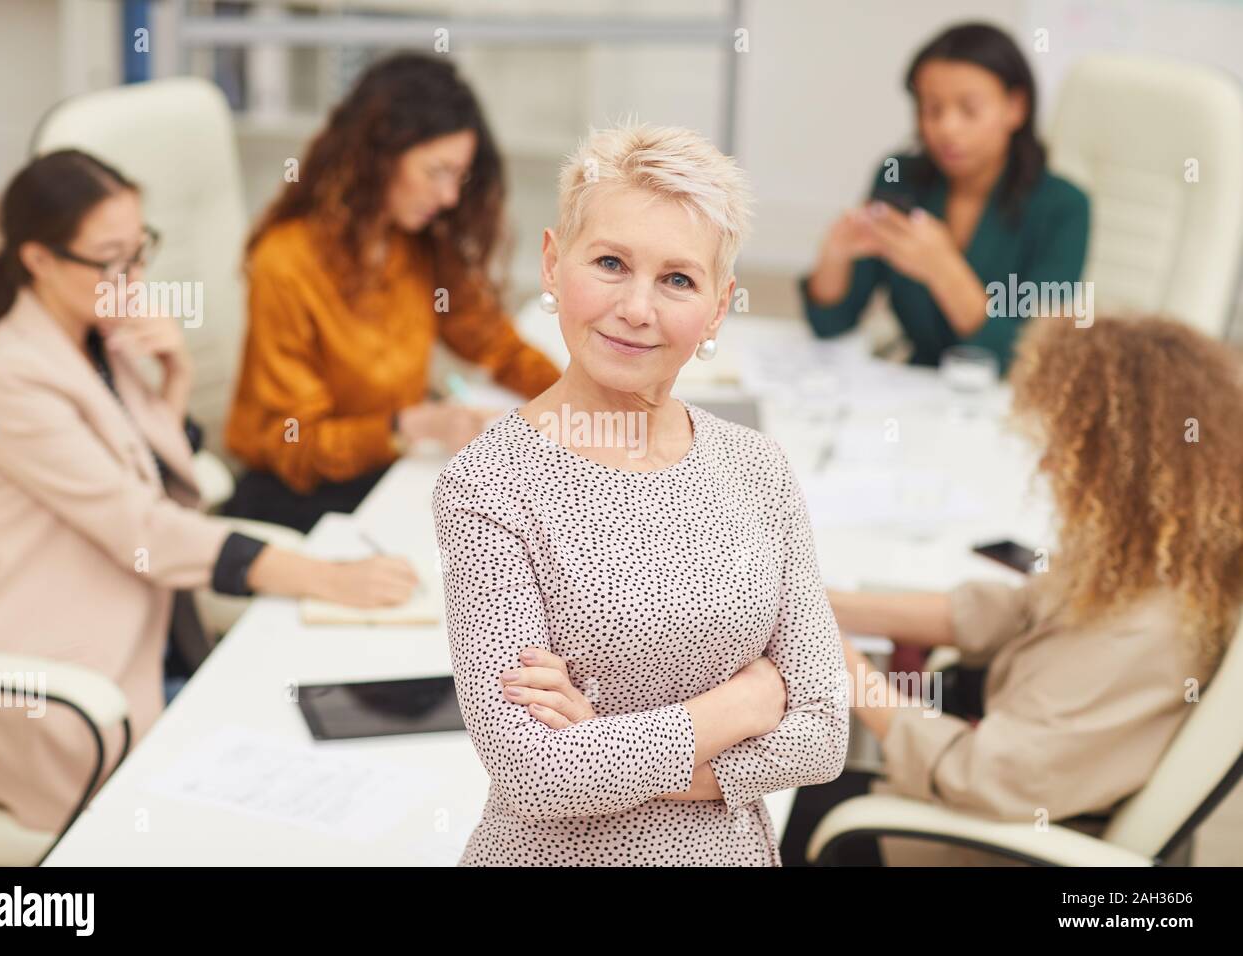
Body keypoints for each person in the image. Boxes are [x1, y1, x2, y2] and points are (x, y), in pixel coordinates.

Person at [0, 150, 418, 835]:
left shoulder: (92, 339)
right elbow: (147, 528)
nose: (134, 280)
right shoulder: (14, 381)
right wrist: (320, 575)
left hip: (154, 649)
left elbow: (156, 475)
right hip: (80, 698)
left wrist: (170, 376)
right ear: (40, 260)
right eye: (111, 262)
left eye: (140, 252)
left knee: (355, 752)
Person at [433, 123, 850, 866]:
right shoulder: (486, 485)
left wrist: (606, 744)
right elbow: (535, 773)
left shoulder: (759, 469)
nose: (636, 308)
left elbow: (821, 734)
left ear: (719, 307)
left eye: (678, 279)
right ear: (554, 264)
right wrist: (739, 707)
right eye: (611, 263)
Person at [779, 315, 1243, 866]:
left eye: (1068, 447)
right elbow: (1016, 610)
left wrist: (836, 658)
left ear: (1125, 465)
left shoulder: (1148, 633)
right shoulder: (1160, 555)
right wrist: (825, 602)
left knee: (757, 807)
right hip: (1012, 779)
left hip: (980, 839)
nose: (1048, 463)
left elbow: (981, 775)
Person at [223, 52, 561, 532]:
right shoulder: (287, 261)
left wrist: (572, 402)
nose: (449, 197)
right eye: (435, 172)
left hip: (384, 468)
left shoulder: (417, 241)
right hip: (300, 495)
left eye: (457, 177)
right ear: (378, 157)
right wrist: (408, 426)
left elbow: (493, 342)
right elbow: (293, 444)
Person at [800, 22, 1089, 371]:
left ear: (1016, 107)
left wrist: (944, 271)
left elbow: (1029, 357)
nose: (946, 128)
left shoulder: (1064, 207)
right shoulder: (900, 178)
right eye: (931, 109)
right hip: (913, 393)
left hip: (1002, 403)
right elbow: (831, 324)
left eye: (969, 110)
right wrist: (834, 255)